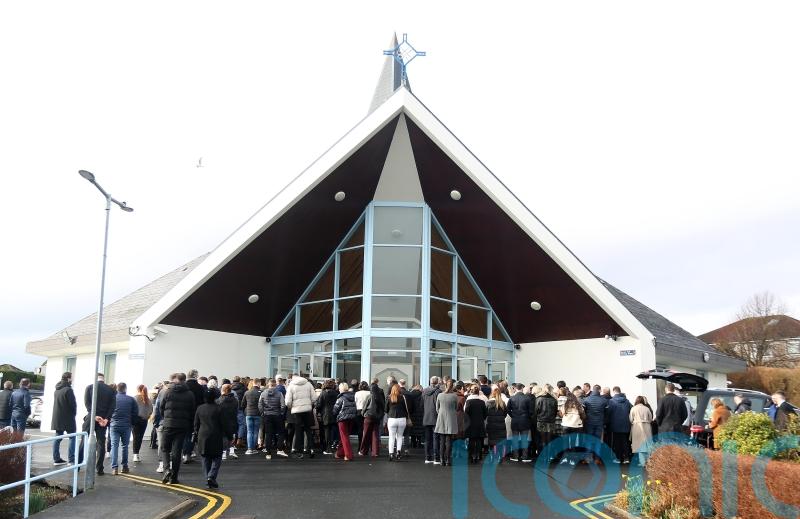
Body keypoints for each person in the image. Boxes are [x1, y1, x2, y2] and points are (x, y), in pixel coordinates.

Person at [159, 373, 196, 485]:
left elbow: (161, 407)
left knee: (165, 449)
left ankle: (166, 470)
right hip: (182, 426)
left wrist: (165, 418)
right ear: (184, 381)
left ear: (175, 380)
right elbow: (192, 410)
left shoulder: (167, 391)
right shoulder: (190, 394)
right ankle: (174, 478)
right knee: (177, 452)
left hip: (168, 424)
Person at [78, 373, 116, 475]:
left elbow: (87, 403)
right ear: (104, 379)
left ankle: (77, 465)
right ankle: (99, 468)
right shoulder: (111, 390)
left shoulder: (90, 387)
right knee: (101, 443)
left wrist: (94, 415)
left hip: (91, 418)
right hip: (103, 420)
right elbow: (112, 407)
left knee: (84, 440)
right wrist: (106, 419)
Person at [194, 391, 224, 488]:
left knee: (205, 457)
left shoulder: (200, 408)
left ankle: (208, 477)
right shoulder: (219, 408)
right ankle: (211, 476)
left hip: (203, 435)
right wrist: (229, 435)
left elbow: (196, 424)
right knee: (217, 457)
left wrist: (197, 433)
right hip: (216, 435)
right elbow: (223, 423)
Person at [285, 373, 317, 459]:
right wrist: (309, 404)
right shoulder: (308, 384)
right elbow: (314, 398)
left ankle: (297, 450)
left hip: (296, 410)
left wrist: (291, 406)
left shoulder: (291, 386)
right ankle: (311, 449)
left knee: (298, 430)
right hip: (307, 410)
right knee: (308, 430)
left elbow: (287, 401)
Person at [109, 382, 137, 475]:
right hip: (126, 425)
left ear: (117, 389)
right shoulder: (131, 399)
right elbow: (135, 413)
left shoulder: (113, 399)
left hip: (114, 425)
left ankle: (114, 468)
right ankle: (124, 466)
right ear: (125, 389)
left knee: (114, 446)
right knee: (125, 446)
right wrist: (131, 423)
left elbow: (108, 411)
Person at [51, 372, 77, 465]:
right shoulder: (68, 390)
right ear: (68, 379)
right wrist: (74, 414)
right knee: (72, 437)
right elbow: (72, 405)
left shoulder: (57, 390)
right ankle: (71, 460)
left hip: (57, 418)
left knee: (58, 438)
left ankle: (56, 459)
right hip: (68, 418)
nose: (72, 380)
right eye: (72, 378)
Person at [258, 379, 286, 460]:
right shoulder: (279, 393)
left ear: (268, 384)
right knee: (280, 433)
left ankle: (268, 453)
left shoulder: (263, 393)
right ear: (275, 385)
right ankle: (280, 449)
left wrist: (263, 413)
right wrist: (281, 413)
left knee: (268, 434)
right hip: (277, 415)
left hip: (267, 415)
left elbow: (260, 404)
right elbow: (283, 405)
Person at [435, 380, 459, 467]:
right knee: (449, 440)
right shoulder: (454, 396)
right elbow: (456, 407)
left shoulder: (440, 395)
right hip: (451, 418)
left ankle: (442, 460)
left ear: (445, 386)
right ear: (452, 386)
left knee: (442, 441)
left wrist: (441, 412)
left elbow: (437, 408)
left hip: (441, 418)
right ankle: (448, 459)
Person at [581, 385, 608, 463]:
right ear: (599, 390)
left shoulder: (586, 399)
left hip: (589, 423)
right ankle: (597, 459)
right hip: (599, 423)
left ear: (593, 390)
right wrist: (604, 421)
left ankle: (588, 459)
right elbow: (607, 413)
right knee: (597, 441)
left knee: (589, 441)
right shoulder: (604, 400)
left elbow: (584, 412)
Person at [359, 379, 385, 458]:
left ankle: (363, 451)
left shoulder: (369, 396)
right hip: (377, 417)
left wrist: (363, 414)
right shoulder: (380, 397)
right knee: (375, 435)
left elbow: (365, 407)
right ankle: (375, 452)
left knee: (366, 434)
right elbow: (383, 407)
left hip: (368, 416)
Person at [507, 383, 533, 462]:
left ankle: (515, 456)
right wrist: (527, 417)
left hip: (515, 420)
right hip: (525, 421)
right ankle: (524, 456)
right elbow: (531, 411)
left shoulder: (512, 398)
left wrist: (513, 416)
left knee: (515, 439)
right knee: (524, 439)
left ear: (516, 389)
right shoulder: (527, 398)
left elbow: (508, 410)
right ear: (522, 388)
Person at [606, 387, 633, 464]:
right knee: (625, 441)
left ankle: (618, 458)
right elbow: (631, 410)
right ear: (620, 391)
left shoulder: (611, 401)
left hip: (615, 425)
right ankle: (626, 458)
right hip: (626, 425)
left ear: (614, 392)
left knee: (617, 442)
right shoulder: (627, 401)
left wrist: (607, 422)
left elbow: (608, 413)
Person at [332, 382, 357, 461]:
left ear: (341, 389)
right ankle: (340, 453)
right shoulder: (353, 397)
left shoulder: (341, 398)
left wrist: (333, 414)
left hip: (342, 419)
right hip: (351, 419)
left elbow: (335, 410)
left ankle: (348, 455)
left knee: (344, 437)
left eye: (339, 388)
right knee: (345, 437)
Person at [385, 383, 410, 461]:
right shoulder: (403, 397)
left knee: (391, 437)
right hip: (402, 419)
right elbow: (406, 409)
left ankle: (391, 454)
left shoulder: (389, 398)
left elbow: (385, 409)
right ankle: (398, 452)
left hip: (392, 419)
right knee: (399, 437)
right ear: (399, 390)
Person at [559, 391, 585, 466]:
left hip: (566, 425)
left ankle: (565, 458)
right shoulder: (579, 405)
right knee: (573, 444)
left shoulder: (565, 405)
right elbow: (583, 416)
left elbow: (561, 414)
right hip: (576, 426)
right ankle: (572, 460)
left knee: (565, 443)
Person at [464, 386, 487, 464]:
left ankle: (470, 456)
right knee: (479, 440)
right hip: (480, 423)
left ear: (472, 392)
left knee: (471, 440)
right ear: (478, 393)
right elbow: (485, 414)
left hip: (471, 424)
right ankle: (478, 455)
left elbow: (466, 413)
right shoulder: (482, 402)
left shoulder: (469, 402)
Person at [534, 385, 558, 461]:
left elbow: (536, 411)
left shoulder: (539, 399)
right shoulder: (554, 400)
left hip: (541, 421)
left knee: (542, 440)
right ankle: (549, 456)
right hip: (551, 422)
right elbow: (555, 412)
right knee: (549, 440)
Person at [421, 376, 442, 464]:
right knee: (436, 438)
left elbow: (421, 405)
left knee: (427, 438)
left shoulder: (424, 391)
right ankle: (436, 458)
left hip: (426, 417)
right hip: (436, 417)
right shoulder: (439, 392)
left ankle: (427, 457)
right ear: (437, 382)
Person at [315, 379, 339, 455]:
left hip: (325, 414)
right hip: (334, 414)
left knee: (326, 431)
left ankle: (327, 449)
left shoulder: (323, 393)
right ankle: (331, 447)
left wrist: (317, 411)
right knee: (332, 431)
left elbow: (319, 404)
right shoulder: (335, 393)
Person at [216, 383, 239, 460]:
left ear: (222, 390)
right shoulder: (235, 400)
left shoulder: (220, 400)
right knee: (232, 436)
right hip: (233, 420)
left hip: (223, 421)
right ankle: (232, 451)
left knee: (224, 437)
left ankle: (224, 453)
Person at [486, 387, 509, 463]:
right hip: (501, 425)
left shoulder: (488, 403)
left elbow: (485, 414)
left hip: (491, 425)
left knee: (491, 441)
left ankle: (492, 456)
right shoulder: (502, 403)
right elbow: (505, 414)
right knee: (500, 442)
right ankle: (499, 456)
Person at [629, 396, 653, 466]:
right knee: (647, 444)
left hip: (637, 427)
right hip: (646, 427)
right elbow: (651, 418)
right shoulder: (647, 408)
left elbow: (630, 419)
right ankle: (648, 461)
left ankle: (642, 462)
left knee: (639, 445)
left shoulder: (633, 408)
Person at [132, 384, 153, 463]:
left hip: (136, 420)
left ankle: (135, 454)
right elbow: (151, 410)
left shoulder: (134, 398)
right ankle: (137, 454)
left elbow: (131, 409)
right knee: (140, 437)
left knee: (135, 437)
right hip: (144, 420)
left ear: (137, 389)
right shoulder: (148, 399)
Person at [240, 379, 262, 455]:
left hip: (248, 414)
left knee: (249, 431)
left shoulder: (247, 392)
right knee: (256, 431)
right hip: (258, 414)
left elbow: (242, 404)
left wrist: (245, 411)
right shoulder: (261, 393)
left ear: (253, 383)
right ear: (259, 383)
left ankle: (249, 449)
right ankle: (254, 449)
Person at [407, 384, 425, 449]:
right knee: (419, 429)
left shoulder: (410, 395)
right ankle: (419, 443)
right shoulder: (422, 395)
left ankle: (413, 442)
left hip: (412, 414)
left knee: (412, 429)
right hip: (420, 414)